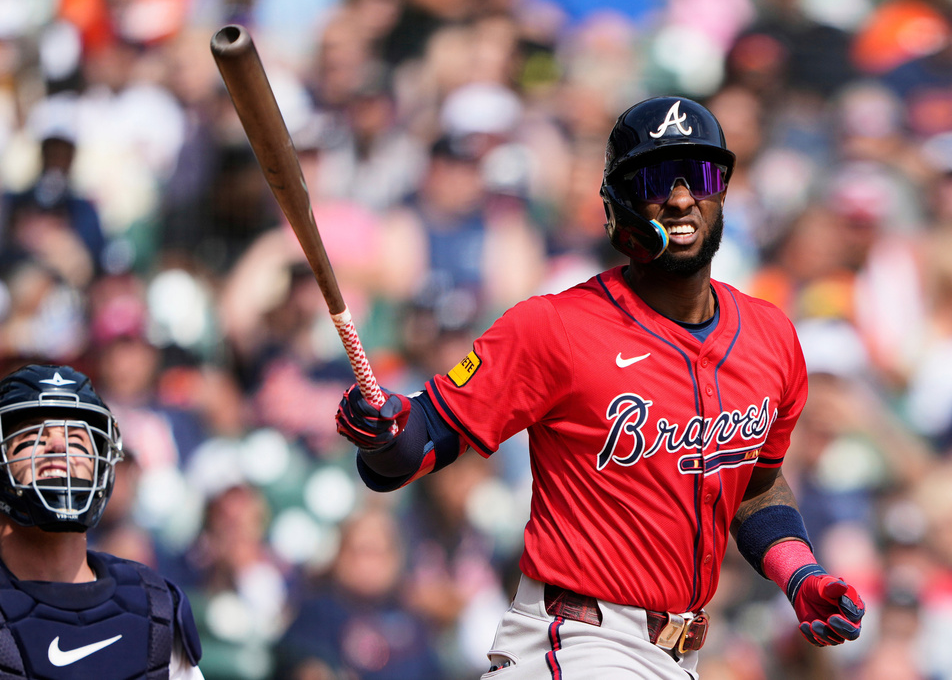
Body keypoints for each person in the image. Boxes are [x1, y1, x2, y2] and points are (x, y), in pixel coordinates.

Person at [336, 96, 866, 678]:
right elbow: (421, 442)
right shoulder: (555, 327)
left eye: (703, 174)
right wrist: (384, 431)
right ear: (619, 205)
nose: (684, 196)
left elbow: (754, 481)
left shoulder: (772, 338)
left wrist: (799, 572)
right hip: (578, 644)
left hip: (677, 655)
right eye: (659, 178)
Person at [0, 363, 203, 679]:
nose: (58, 446)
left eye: (76, 439)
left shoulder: (156, 611)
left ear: (100, 467)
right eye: (32, 435)